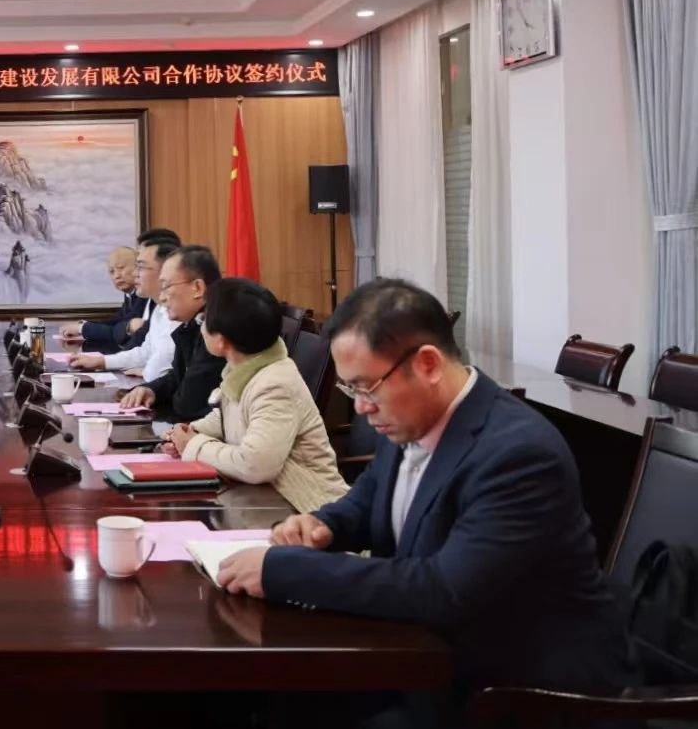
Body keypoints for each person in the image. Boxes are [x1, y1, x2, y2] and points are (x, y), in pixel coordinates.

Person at [216, 278, 632, 700]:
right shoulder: (412, 415)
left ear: (428, 364)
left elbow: (443, 590)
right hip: (420, 655)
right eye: (351, 388)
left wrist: (283, 571)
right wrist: (324, 525)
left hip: (514, 690)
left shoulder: (518, 454)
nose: (360, 406)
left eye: (366, 386)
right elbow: (370, 496)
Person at [163, 278, 346, 513]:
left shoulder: (275, 384)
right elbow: (230, 417)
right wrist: (190, 432)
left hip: (307, 508)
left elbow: (255, 465)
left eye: (204, 320)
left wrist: (194, 445)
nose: (201, 327)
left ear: (221, 341)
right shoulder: (246, 367)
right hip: (267, 502)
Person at [120, 245, 224, 419]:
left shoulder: (218, 330)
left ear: (197, 288)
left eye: (166, 286)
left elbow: (189, 404)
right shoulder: (191, 325)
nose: (161, 298)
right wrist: (151, 390)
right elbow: (177, 376)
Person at [67, 241, 178, 381]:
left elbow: (164, 360)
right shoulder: (159, 310)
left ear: (164, 272)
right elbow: (144, 352)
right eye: (111, 271)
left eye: (140, 267)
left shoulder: (178, 313)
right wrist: (101, 362)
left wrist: (147, 371)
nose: (135, 274)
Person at [57, 247, 144, 354]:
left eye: (121, 268)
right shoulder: (129, 295)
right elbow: (115, 322)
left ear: (138, 268)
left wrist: (81, 329)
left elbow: (118, 331)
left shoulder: (144, 296)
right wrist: (82, 325)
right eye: (112, 272)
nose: (116, 276)